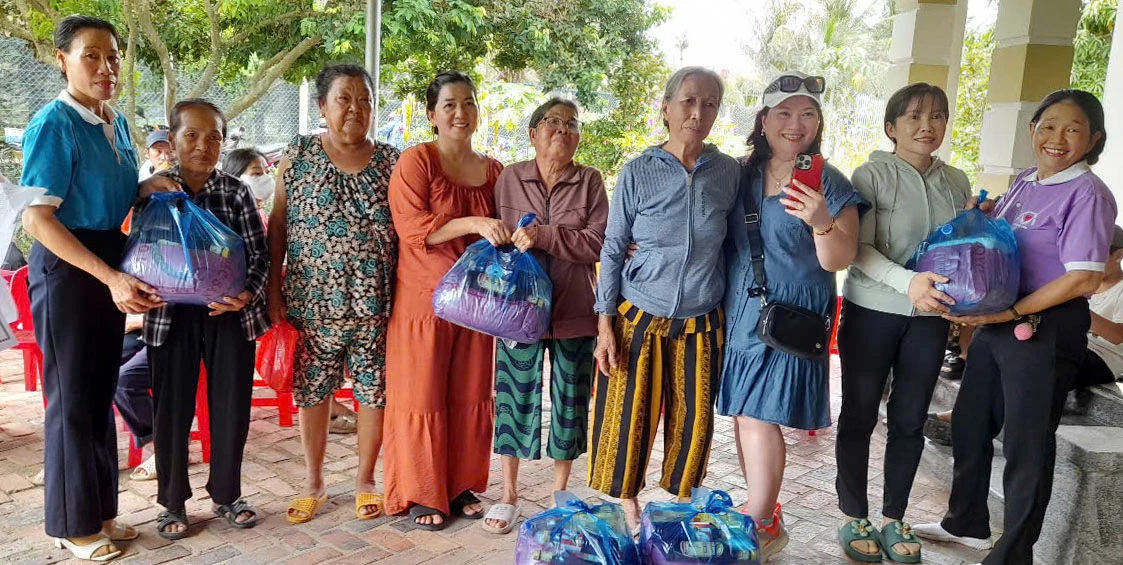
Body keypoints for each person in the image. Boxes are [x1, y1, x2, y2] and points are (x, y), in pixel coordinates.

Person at [913, 90, 1116, 565]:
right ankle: (966, 523)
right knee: (969, 420)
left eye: (1072, 129)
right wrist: (987, 217)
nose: (1057, 138)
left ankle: (1013, 554)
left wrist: (1011, 313)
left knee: (1026, 443)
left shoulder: (1088, 193)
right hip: (1002, 319)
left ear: (1094, 139)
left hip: (1044, 327)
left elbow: (1084, 276)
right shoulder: (1027, 180)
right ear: (1033, 131)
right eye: (1048, 126)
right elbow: (1009, 239)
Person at [19, 15, 178, 561]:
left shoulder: (112, 121)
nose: (107, 67)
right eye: (92, 56)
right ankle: (71, 524)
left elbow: (107, 193)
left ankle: (102, 513)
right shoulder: (54, 124)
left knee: (98, 392)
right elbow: (39, 218)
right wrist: (108, 276)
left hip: (110, 258)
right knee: (71, 401)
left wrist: (144, 188)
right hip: (70, 269)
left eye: (112, 56)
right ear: (62, 60)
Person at [716, 71, 865, 562]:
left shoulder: (828, 180)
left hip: (792, 317)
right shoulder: (740, 174)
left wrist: (821, 219)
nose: (795, 123)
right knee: (745, 414)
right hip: (742, 313)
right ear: (762, 121)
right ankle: (766, 516)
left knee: (761, 416)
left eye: (807, 114)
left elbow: (839, 259)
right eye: (783, 113)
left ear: (818, 123)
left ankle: (756, 523)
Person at [589, 66, 738, 535]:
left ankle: (680, 501)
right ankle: (629, 501)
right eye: (689, 101)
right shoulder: (639, 171)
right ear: (667, 108)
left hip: (701, 316)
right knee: (628, 412)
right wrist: (605, 323)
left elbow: (735, 243)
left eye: (710, 103)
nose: (698, 113)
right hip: (639, 312)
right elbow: (613, 249)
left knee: (694, 420)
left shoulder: (728, 172)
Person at [834, 83, 972, 562]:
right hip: (872, 311)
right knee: (859, 414)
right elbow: (858, 250)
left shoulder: (957, 182)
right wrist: (908, 281)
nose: (926, 126)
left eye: (937, 116)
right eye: (913, 117)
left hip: (930, 319)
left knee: (910, 421)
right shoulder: (870, 175)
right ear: (891, 127)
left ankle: (895, 518)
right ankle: (854, 514)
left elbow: (959, 249)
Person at [267, 64, 399, 524]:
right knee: (312, 393)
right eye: (344, 99)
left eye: (364, 99)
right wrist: (273, 289)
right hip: (311, 301)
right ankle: (314, 482)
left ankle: (365, 481)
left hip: (374, 304)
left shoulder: (391, 161)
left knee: (373, 393)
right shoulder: (298, 154)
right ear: (322, 106)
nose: (356, 108)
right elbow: (279, 224)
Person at [481, 97, 609, 534]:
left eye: (572, 124)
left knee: (571, 401)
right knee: (514, 396)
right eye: (553, 122)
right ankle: (509, 493)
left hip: (574, 310)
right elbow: (492, 238)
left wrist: (544, 237)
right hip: (517, 311)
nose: (563, 130)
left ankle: (560, 491)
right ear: (533, 132)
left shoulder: (589, 180)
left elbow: (598, 242)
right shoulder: (509, 178)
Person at [384, 71, 505, 530]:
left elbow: (506, 227)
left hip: (475, 305)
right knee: (422, 395)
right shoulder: (417, 160)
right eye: (450, 104)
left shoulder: (493, 169)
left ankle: (457, 484)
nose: (460, 112)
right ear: (432, 115)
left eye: (468, 103)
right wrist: (472, 222)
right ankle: (421, 491)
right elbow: (415, 228)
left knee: (469, 393)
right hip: (425, 302)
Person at [144, 99, 268, 540]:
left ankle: (227, 494)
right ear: (172, 140)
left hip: (228, 316)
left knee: (231, 407)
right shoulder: (153, 192)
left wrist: (247, 294)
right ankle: (172, 502)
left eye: (213, 136)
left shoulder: (234, 192)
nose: (203, 145)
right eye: (191, 136)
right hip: (170, 315)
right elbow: (138, 254)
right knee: (172, 411)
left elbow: (260, 255)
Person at [924, 225, 1123, 447]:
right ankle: (967, 420)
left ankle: (966, 422)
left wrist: (1074, 305)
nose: (1090, 259)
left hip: (1102, 356)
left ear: (1118, 254)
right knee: (1005, 351)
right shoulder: (1083, 285)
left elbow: (1118, 335)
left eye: (1099, 253)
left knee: (1026, 362)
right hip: (1073, 341)